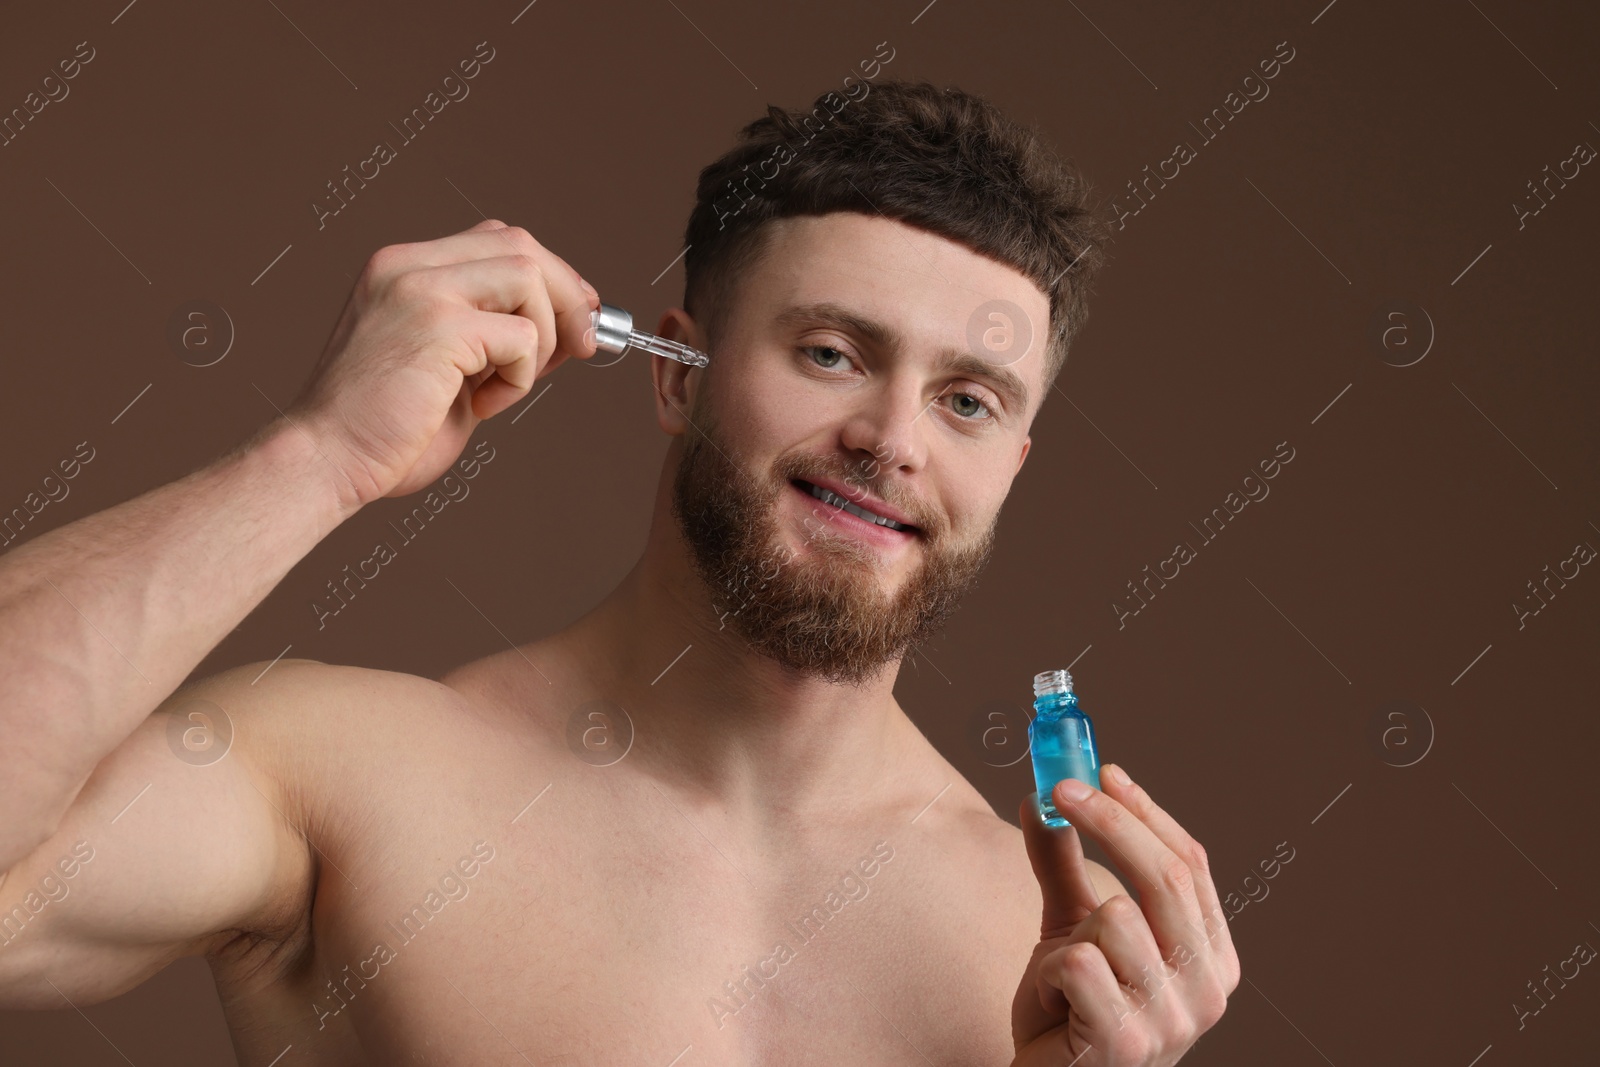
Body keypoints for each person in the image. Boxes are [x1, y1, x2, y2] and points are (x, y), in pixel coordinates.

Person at [0, 80, 1237, 1065]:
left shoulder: (1038, 933)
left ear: (1012, 462)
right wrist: (317, 456)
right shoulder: (340, 776)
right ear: (675, 370)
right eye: (828, 351)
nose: (894, 438)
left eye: (966, 400)